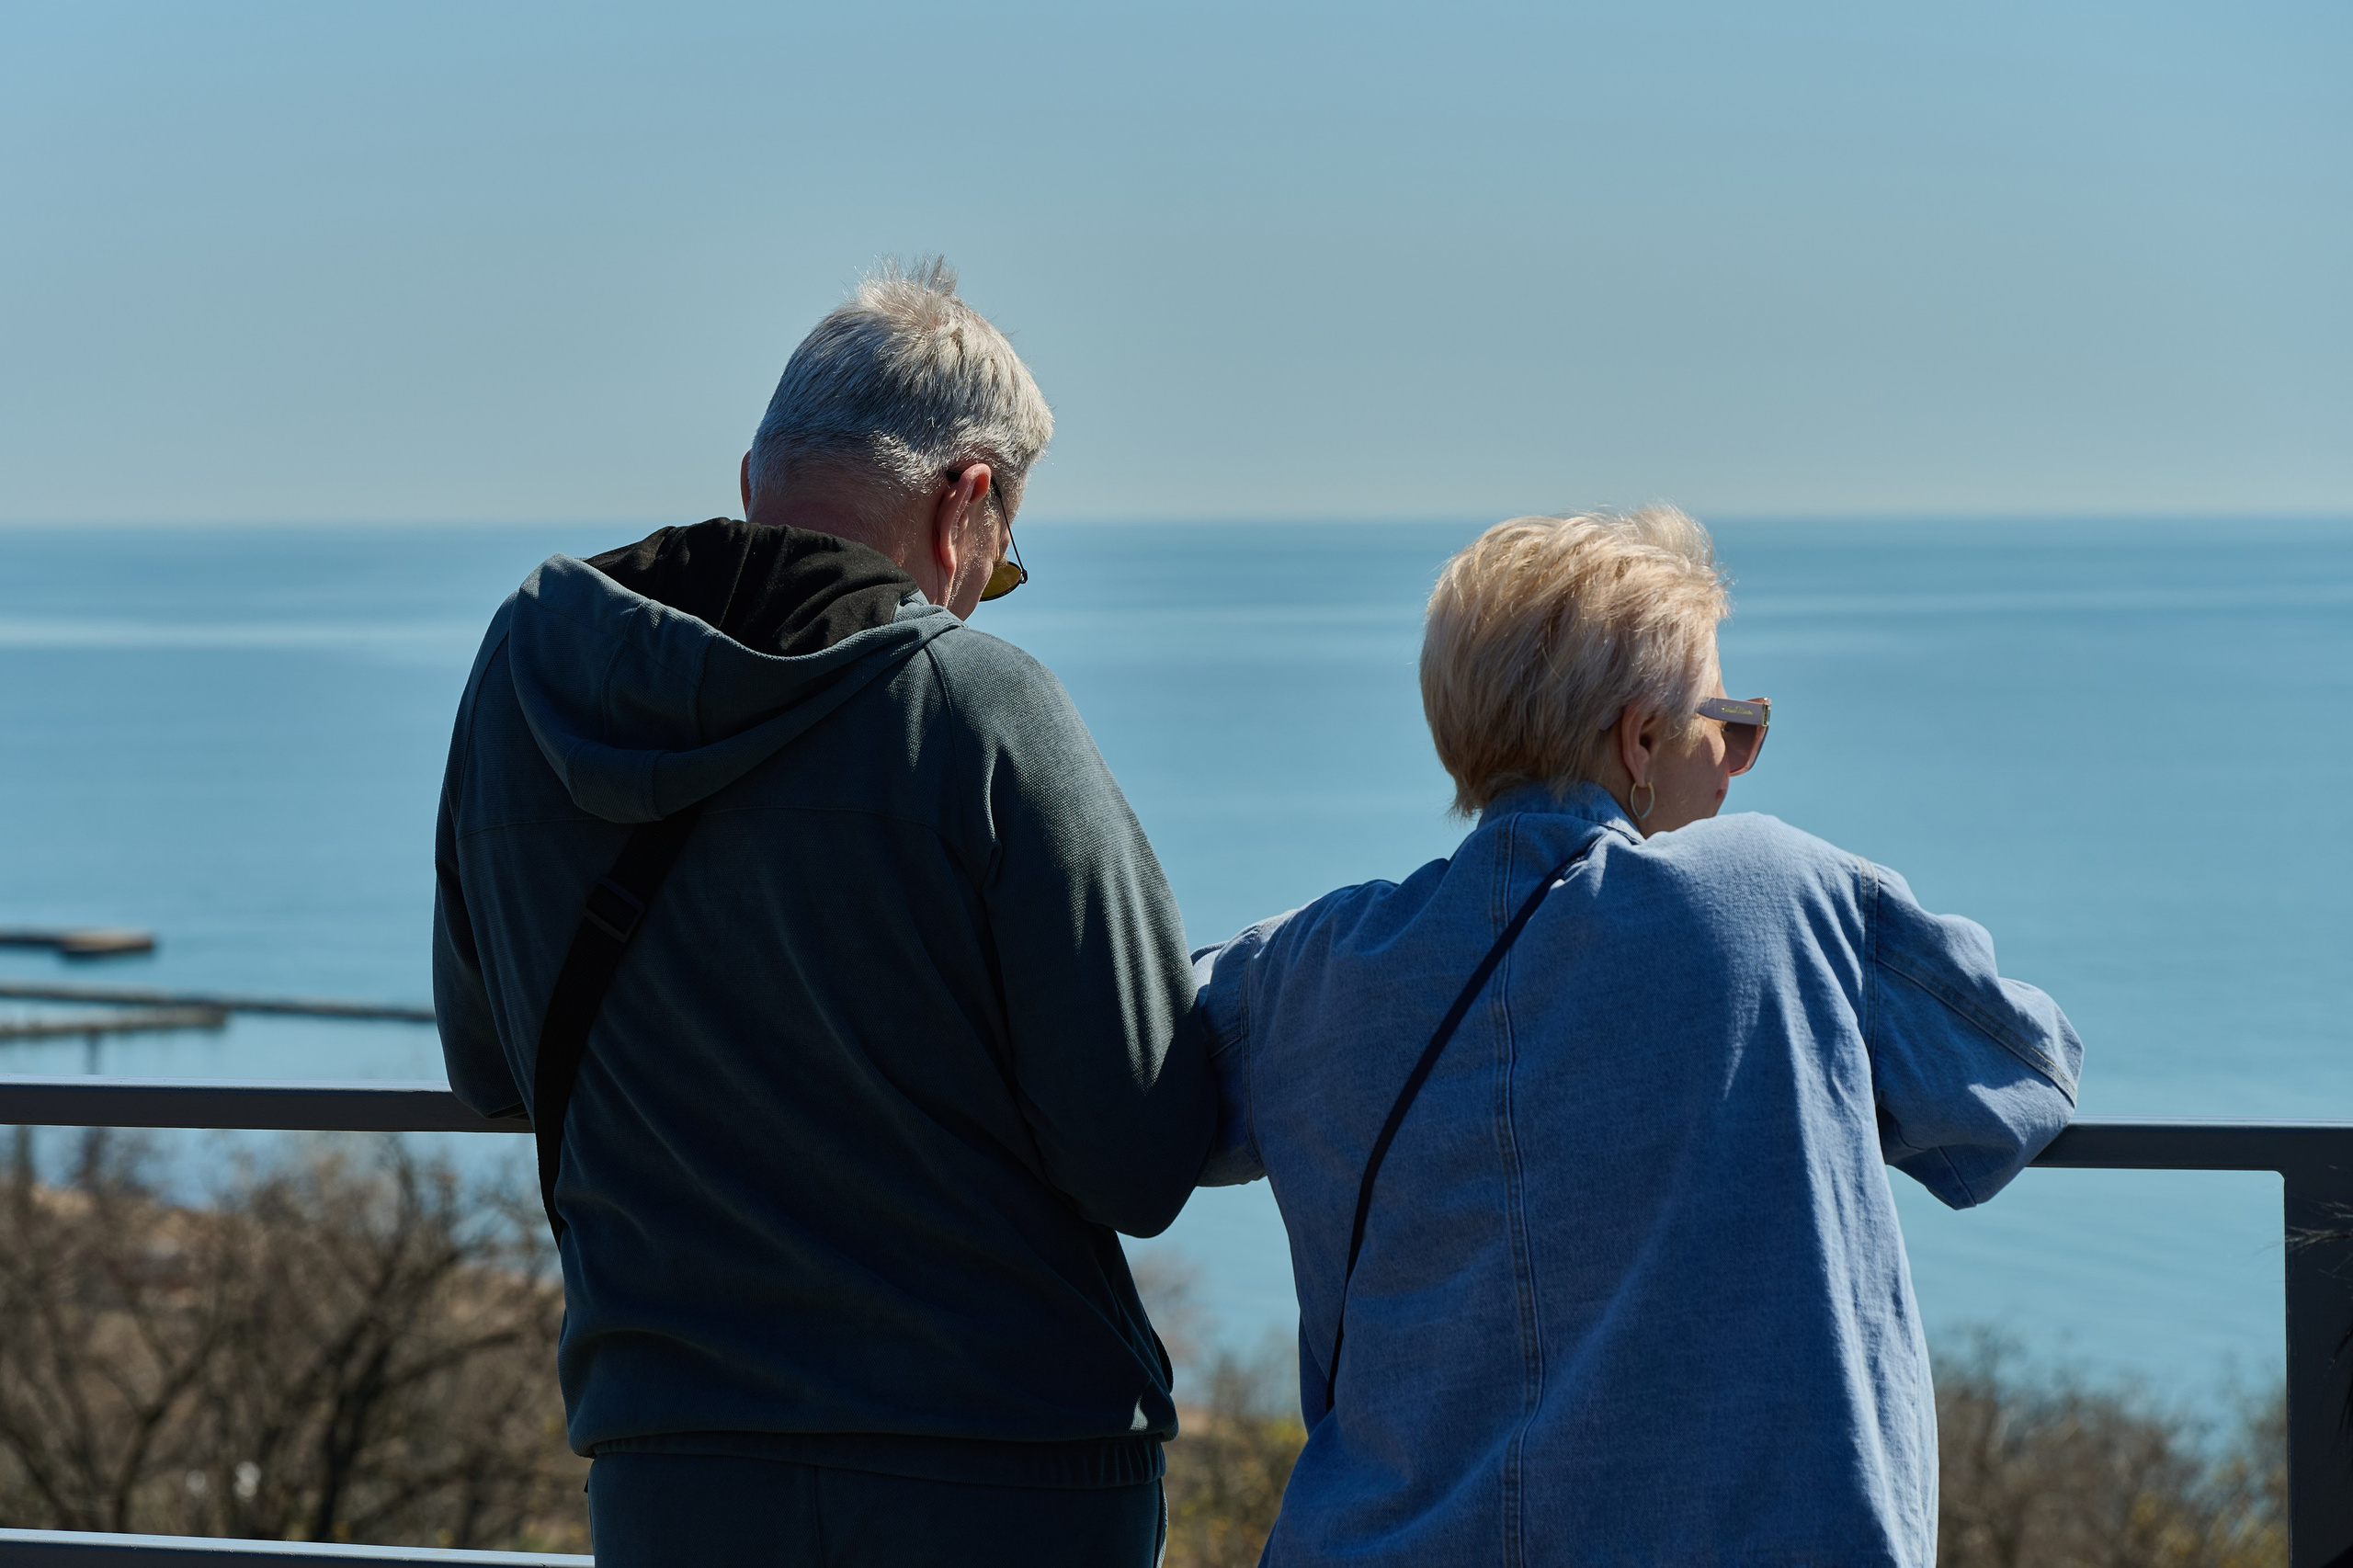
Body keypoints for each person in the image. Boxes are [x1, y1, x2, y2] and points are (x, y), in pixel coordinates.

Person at [432, 258, 1209, 1567]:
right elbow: (1139, 1150)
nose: (985, 592)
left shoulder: (526, 680)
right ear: (970, 501)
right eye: (1005, 560)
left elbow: (489, 1063)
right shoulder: (979, 710)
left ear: (756, 479)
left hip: (676, 1470)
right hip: (1002, 1474)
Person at [1193, 507, 2082, 1567]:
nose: (1738, 762)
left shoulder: (1311, 963)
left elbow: (1128, 1092)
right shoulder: (1778, 893)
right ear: (1640, 737)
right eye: (1730, 722)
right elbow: (2022, 1074)